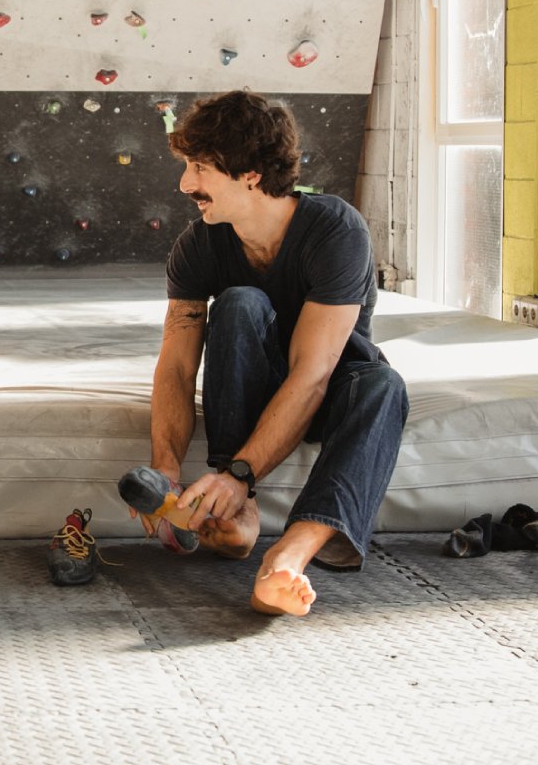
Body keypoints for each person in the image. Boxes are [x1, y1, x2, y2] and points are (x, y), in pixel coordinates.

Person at [128, 89, 408, 616]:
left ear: (251, 174)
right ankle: (238, 517)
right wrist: (165, 470)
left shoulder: (336, 230)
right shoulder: (198, 244)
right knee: (240, 302)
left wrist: (240, 474)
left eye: (199, 168)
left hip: (324, 390)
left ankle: (289, 557)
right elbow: (178, 366)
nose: (185, 184)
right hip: (254, 390)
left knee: (383, 385)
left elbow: (313, 374)